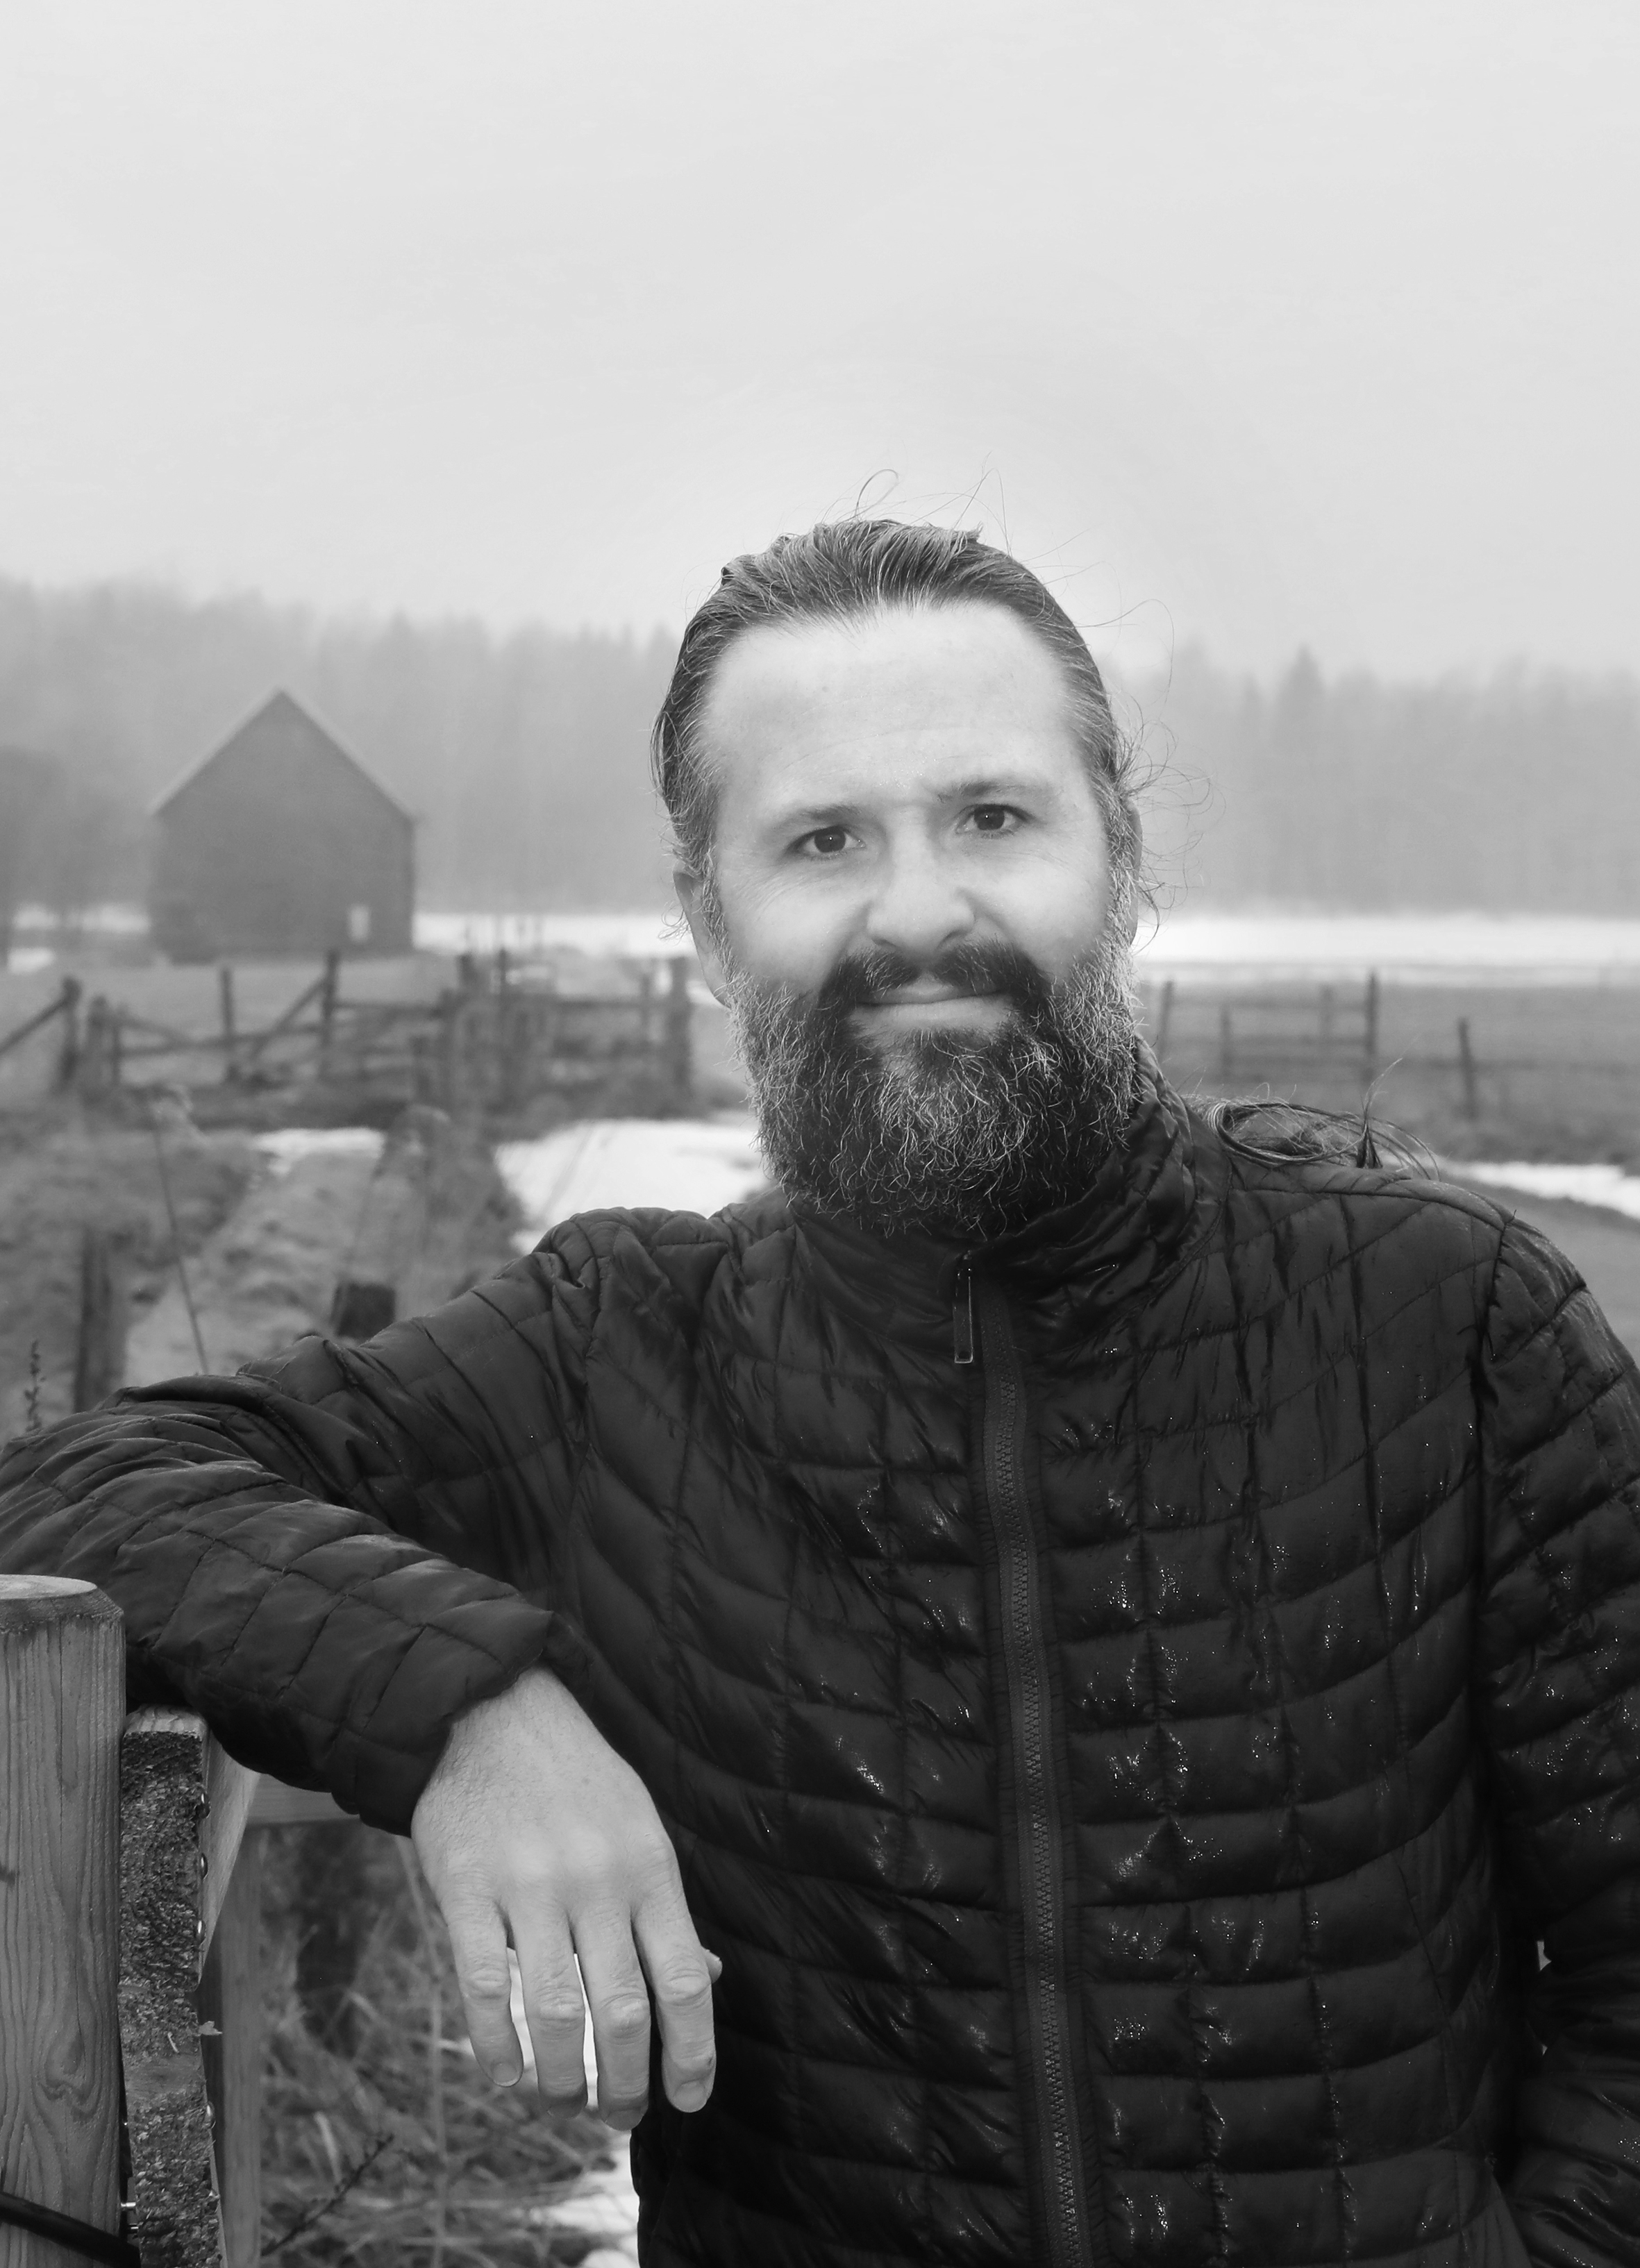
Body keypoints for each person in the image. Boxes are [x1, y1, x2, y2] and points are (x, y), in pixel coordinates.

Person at [2, 519, 1637, 2268]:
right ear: (711, 919)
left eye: (990, 816)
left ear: (1117, 852)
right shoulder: (617, 1348)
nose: (917, 909)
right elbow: (83, 1483)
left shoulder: (1446, 1324)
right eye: (821, 839)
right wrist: (469, 1709)